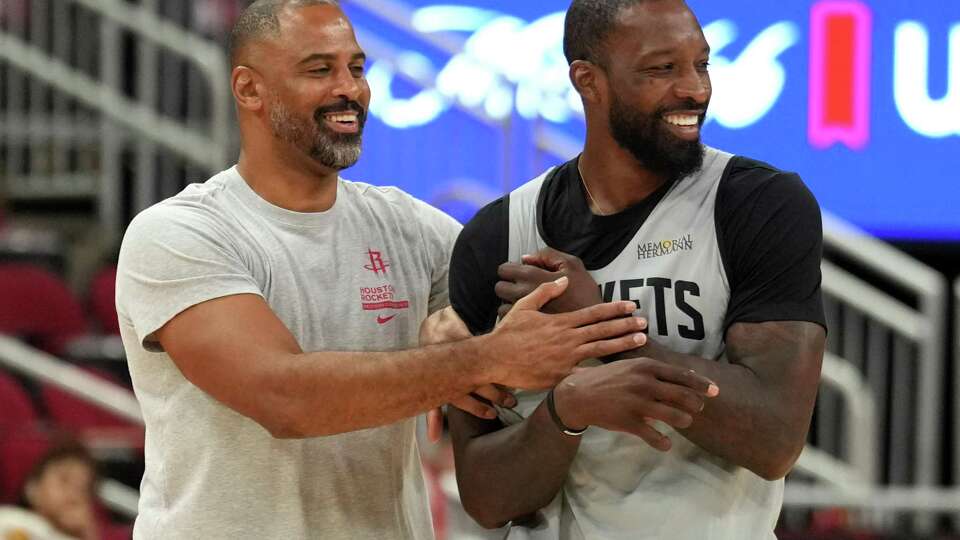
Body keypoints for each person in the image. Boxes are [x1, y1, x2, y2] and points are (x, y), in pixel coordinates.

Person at [114, 1, 649, 538]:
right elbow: (284, 399)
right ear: (249, 89)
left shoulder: (410, 227)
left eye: (357, 68)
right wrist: (483, 358)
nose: (349, 88)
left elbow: (529, 310)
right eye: (319, 69)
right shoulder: (178, 234)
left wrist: (467, 328)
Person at [442, 0, 827, 538]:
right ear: (588, 80)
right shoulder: (497, 237)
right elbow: (486, 498)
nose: (695, 89)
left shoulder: (756, 204)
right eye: (662, 69)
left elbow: (774, 439)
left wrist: (604, 329)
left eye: (702, 64)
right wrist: (566, 411)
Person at [0, 441, 100, 540]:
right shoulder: (8, 520)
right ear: (32, 488)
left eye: (83, 489)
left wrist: (87, 533)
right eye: (64, 480)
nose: (73, 494)